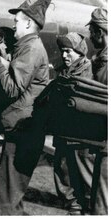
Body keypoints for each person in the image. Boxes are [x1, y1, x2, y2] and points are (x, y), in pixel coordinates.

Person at [0, 0, 52, 215]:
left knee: (5, 194)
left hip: (24, 125)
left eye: (17, 22)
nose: (14, 26)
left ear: (29, 23)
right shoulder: (27, 45)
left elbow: (12, 88)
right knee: (13, 189)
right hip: (25, 123)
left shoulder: (30, 48)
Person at [52, 32, 93, 215]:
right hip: (62, 127)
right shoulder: (62, 71)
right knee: (62, 166)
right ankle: (72, 202)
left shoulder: (89, 71)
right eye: (62, 51)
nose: (64, 55)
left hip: (80, 130)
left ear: (79, 51)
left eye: (68, 51)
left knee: (83, 168)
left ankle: (88, 203)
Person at [86, 7, 107, 215]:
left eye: (92, 32)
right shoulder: (100, 58)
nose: (90, 37)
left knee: (103, 204)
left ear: (99, 32)